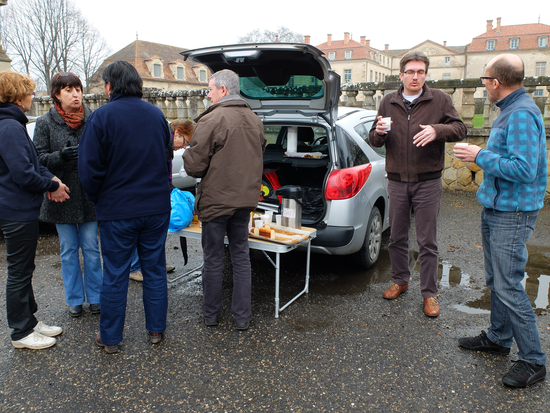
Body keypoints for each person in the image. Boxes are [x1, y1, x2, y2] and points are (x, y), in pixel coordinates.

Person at [455, 54, 547, 387]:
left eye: (484, 79)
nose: (483, 85)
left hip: (513, 211)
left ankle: (534, 361)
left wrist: (480, 155)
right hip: (497, 207)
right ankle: (498, 337)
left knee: (509, 285)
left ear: (496, 83)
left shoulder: (520, 114)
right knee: (497, 280)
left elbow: (524, 170)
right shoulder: (510, 109)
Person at [79, 60, 172, 353]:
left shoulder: (101, 118)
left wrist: (100, 199)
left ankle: (110, 338)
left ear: (109, 86)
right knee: (154, 270)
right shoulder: (157, 115)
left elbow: (89, 170)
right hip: (155, 207)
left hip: (118, 209)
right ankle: (156, 330)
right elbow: (167, 157)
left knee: (116, 273)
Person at [369, 51, 466, 317]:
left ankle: (429, 293)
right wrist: (377, 134)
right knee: (397, 237)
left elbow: (460, 128)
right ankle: (400, 280)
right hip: (398, 181)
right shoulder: (388, 102)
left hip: (428, 181)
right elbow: (374, 140)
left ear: (426, 74)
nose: (415, 77)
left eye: (420, 72)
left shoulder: (440, 100)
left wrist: (438, 130)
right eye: (410, 72)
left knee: (427, 241)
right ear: (401, 75)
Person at [183, 69, 266, 330]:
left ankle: (211, 315)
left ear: (223, 90)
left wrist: (186, 151)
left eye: (210, 89)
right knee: (241, 257)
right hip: (244, 201)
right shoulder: (255, 119)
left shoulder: (212, 119)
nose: (208, 95)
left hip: (217, 202)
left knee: (214, 258)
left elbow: (194, 167)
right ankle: (242, 318)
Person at [0, 72, 70, 350]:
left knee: (25, 268)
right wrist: (51, 185)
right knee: (19, 271)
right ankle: (20, 332)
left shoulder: (13, 124)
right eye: (29, 92)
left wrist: (53, 180)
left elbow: (34, 164)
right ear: (17, 96)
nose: (33, 97)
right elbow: (24, 174)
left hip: (20, 208)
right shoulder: (8, 127)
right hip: (16, 210)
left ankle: (29, 320)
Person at [33, 72, 102, 318]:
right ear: (57, 94)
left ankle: (95, 297)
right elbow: (38, 159)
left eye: (78, 89)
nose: (76, 94)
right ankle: (74, 299)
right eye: (69, 90)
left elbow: (105, 153)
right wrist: (60, 156)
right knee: (69, 250)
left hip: (89, 195)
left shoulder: (93, 118)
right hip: (60, 196)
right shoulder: (45, 122)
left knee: (92, 249)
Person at [129, 118, 195, 282]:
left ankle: (156, 263)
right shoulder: (158, 140)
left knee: (157, 230)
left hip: (157, 192)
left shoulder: (166, 142)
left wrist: (170, 186)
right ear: (177, 132)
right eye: (185, 141)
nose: (185, 146)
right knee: (141, 231)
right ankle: (135, 268)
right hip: (143, 194)